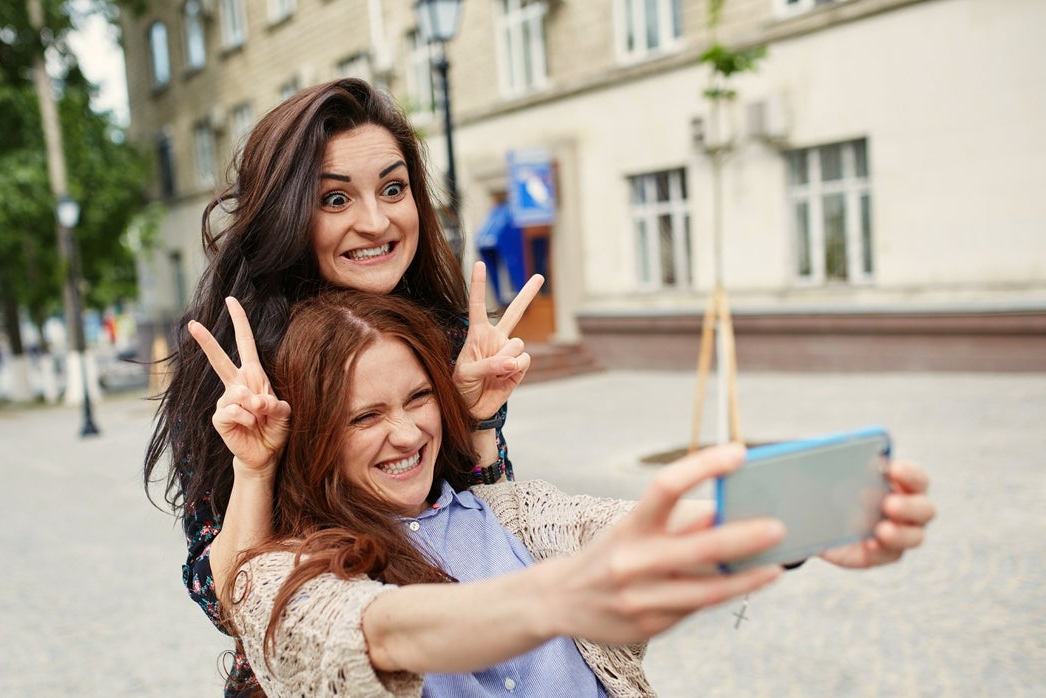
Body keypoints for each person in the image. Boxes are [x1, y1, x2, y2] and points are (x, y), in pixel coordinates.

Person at [190, 289, 934, 697]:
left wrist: (802, 521)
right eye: (365, 416)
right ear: (316, 434)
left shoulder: (509, 509)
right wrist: (559, 599)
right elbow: (381, 633)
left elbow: (642, 532)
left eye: (418, 397)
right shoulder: (276, 576)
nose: (406, 432)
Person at [143, 78, 543, 695]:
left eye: (393, 188)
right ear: (286, 213)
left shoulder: (450, 337)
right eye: (335, 199)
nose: (376, 221)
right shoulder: (239, 369)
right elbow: (227, 605)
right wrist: (257, 468)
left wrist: (477, 421)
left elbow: (487, 528)